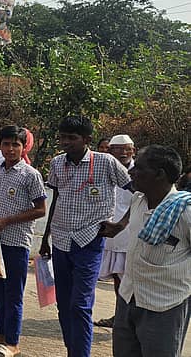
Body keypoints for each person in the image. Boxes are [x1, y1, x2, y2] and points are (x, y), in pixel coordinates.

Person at [39, 116, 131, 357]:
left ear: (87, 140)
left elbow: (139, 191)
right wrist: (44, 238)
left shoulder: (106, 162)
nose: (66, 142)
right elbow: (56, 199)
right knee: (64, 305)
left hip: (90, 240)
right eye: (62, 137)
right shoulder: (58, 163)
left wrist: (121, 224)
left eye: (72, 138)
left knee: (80, 305)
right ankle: (74, 350)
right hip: (60, 239)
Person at [0, 126, 47, 357]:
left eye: (16, 144)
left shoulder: (31, 175)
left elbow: (40, 209)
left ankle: (13, 342)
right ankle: (1, 335)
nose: (11, 149)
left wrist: (8, 221)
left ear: (24, 147)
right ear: (0, 146)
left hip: (17, 242)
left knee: (14, 293)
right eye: (6, 144)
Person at [110, 145, 190, 357]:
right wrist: (117, 227)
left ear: (159, 174)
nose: (131, 172)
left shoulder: (184, 211)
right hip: (129, 296)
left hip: (165, 304)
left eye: (139, 168)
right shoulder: (138, 201)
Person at [95, 134, 136, 328]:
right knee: (118, 279)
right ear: (110, 151)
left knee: (130, 280)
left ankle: (127, 317)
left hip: (131, 234)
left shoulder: (139, 172)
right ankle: (120, 316)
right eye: (118, 149)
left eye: (127, 149)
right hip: (111, 233)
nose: (123, 153)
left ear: (133, 151)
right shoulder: (103, 169)